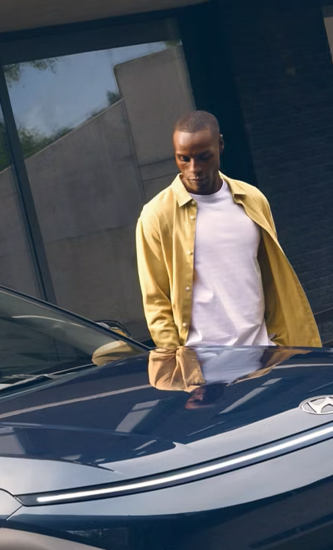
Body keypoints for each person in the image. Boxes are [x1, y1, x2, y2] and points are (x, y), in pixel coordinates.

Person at [135, 110, 321, 396]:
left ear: (220, 145)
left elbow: (269, 276)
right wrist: (181, 372)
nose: (193, 168)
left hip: (264, 359)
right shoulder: (156, 215)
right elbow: (156, 301)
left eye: (203, 156)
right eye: (183, 158)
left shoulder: (253, 199)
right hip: (204, 376)